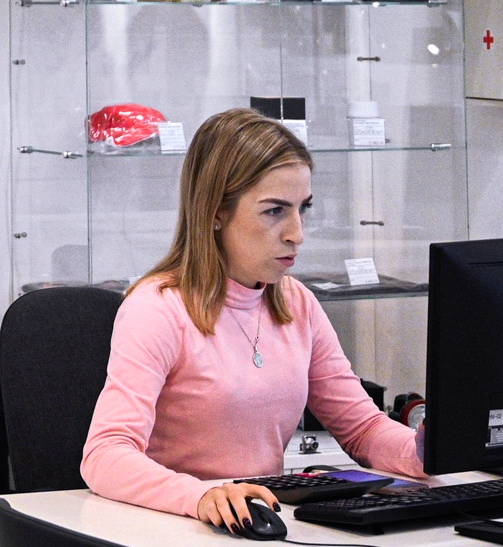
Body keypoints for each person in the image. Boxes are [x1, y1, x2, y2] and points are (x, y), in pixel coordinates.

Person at [81, 107, 425, 528]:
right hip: (179, 523)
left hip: (260, 520)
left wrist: (428, 447)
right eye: (274, 211)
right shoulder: (157, 308)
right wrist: (200, 496)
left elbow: (363, 429)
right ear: (215, 212)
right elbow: (105, 454)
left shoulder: (295, 302)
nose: (296, 233)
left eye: (303, 208)